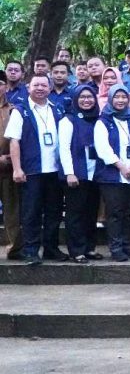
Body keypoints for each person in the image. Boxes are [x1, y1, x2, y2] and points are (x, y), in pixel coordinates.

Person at [5, 74, 65, 265]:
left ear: (49, 88)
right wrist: (17, 169)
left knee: (54, 211)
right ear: (28, 87)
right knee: (31, 212)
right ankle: (30, 250)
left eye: (44, 85)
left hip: (54, 171)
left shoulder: (57, 109)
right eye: (36, 85)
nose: (40, 88)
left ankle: (51, 248)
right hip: (31, 171)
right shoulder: (20, 111)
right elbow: (14, 141)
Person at [93, 85, 130, 262]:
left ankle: (126, 244)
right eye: (117, 97)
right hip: (112, 174)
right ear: (111, 99)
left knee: (128, 212)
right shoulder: (103, 121)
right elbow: (103, 148)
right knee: (115, 212)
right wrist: (121, 166)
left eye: (123, 97)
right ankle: (115, 247)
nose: (120, 100)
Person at [58, 85, 102, 263]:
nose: (86, 100)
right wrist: (69, 172)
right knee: (75, 213)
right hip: (76, 173)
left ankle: (89, 248)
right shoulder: (68, 120)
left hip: (95, 173)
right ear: (76, 99)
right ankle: (77, 250)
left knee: (91, 213)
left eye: (90, 97)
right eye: (82, 97)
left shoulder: (98, 119)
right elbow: (64, 148)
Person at [0, 71, 21, 260]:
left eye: (0, 83)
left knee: (12, 211)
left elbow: (17, 139)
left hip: (7, 169)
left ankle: (15, 248)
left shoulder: (13, 110)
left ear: (6, 86)